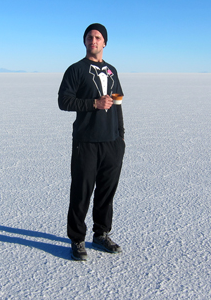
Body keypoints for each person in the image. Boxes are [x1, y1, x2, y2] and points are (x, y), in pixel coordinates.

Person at [57, 23, 125, 261]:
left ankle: (101, 234)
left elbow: (118, 104)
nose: (93, 41)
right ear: (84, 42)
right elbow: (64, 101)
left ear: (104, 42)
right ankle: (77, 239)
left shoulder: (112, 71)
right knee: (81, 191)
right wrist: (93, 104)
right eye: (89, 37)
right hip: (86, 141)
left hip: (112, 142)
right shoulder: (76, 70)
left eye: (97, 37)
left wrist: (121, 137)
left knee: (106, 192)